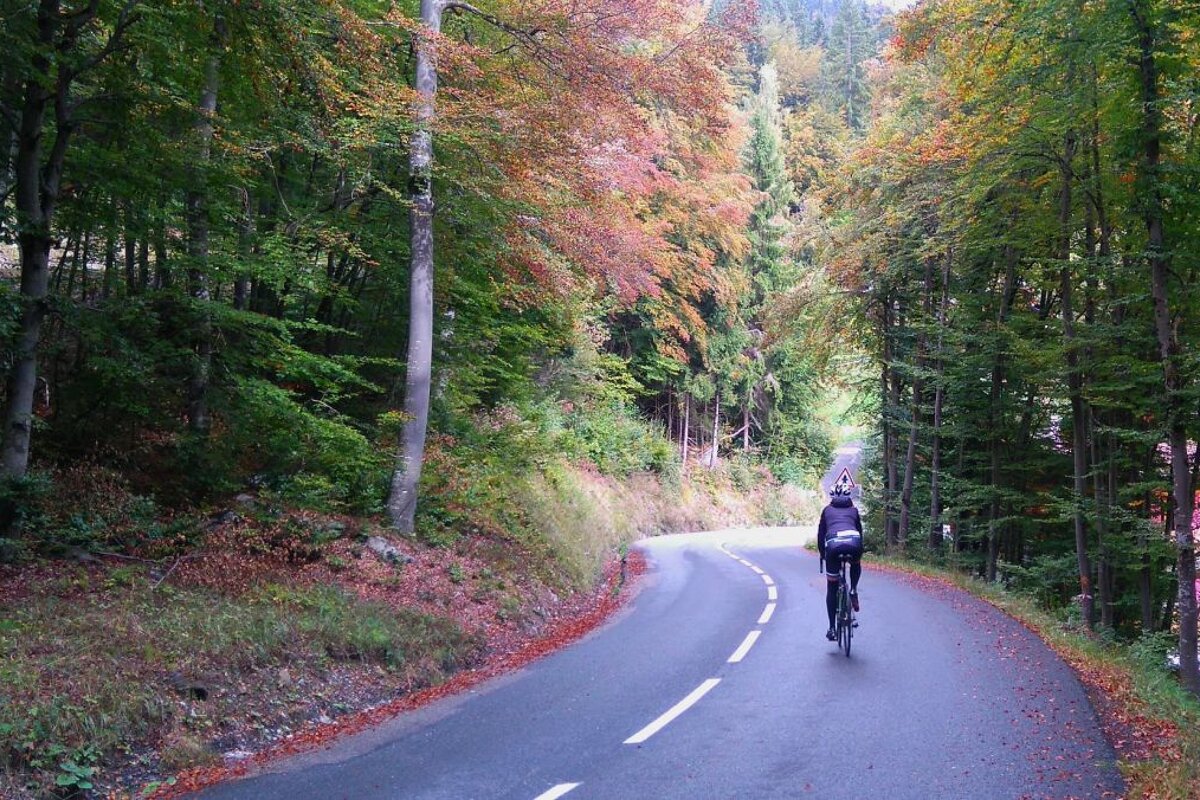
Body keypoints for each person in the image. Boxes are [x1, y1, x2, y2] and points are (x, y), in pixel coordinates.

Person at [817, 483, 863, 641]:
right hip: (854, 542)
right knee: (856, 563)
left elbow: (821, 534)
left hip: (834, 546)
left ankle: (831, 628)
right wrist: (858, 553)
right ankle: (853, 590)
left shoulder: (827, 511)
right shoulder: (854, 511)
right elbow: (860, 533)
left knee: (832, 587)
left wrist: (823, 555)